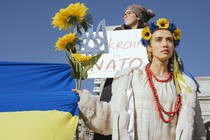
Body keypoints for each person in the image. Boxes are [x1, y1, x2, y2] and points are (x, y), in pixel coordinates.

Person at [73, 18, 206, 140]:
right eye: (158, 39)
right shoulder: (130, 78)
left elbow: (197, 131)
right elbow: (112, 118)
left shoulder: (186, 86)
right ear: (149, 47)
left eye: (169, 40)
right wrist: (86, 101)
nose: (165, 44)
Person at [93, 4, 155, 140]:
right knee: (107, 119)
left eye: (128, 13)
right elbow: (100, 55)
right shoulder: (116, 33)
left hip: (138, 84)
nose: (124, 16)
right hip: (113, 84)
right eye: (124, 14)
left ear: (138, 16)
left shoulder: (150, 35)